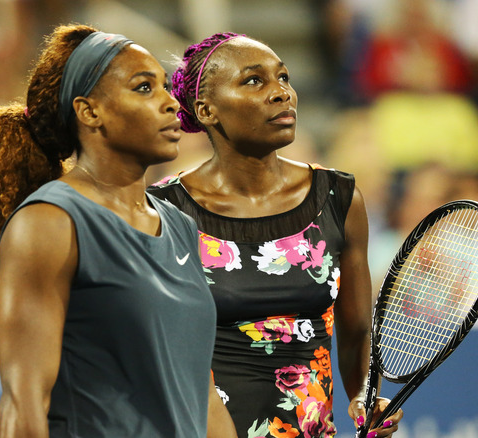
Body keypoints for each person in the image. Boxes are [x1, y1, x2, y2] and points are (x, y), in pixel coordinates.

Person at [0, 24, 235, 437]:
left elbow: (203, 396)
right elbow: (24, 403)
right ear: (90, 112)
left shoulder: (180, 226)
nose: (169, 102)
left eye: (164, 86)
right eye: (144, 88)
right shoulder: (49, 222)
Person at [148, 32, 403, 438]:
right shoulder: (162, 210)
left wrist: (363, 397)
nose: (281, 93)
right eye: (254, 80)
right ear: (206, 110)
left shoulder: (339, 198)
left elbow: (355, 333)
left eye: (283, 78)